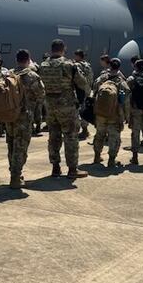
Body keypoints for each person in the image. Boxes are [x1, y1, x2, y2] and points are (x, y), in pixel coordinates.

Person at [39, 39, 89, 179]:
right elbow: (82, 82)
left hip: (49, 105)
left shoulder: (43, 65)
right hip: (66, 106)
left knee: (53, 136)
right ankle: (72, 169)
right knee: (71, 136)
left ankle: (55, 168)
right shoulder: (68, 64)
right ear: (63, 49)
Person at [5, 49, 45, 188]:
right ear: (28, 60)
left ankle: (13, 173)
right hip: (24, 117)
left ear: (16, 60)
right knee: (20, 148)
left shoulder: (8, 74)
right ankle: (15, 177)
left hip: (9, 116)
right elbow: (41, 95)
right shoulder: (32, 76)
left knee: (11, 145)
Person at [91, 58, 130, 168]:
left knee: (99, 135)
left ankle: (97, 156)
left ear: (110, 66)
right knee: (114, 137)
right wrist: (127, 116)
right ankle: (111, 160)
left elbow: (94, 92)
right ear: (119, 67)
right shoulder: (121, 81)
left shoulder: (101, 78)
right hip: (115, 114)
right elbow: (126, 101)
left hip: (101, 114)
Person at [73, 49, 94, 140]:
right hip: (87, 90)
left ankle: (81, 130)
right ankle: (85, 129)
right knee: (85, 109)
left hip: (79, 91)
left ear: (78, 56)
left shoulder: (77, 65)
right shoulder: (88, 65)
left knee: (77, 110)